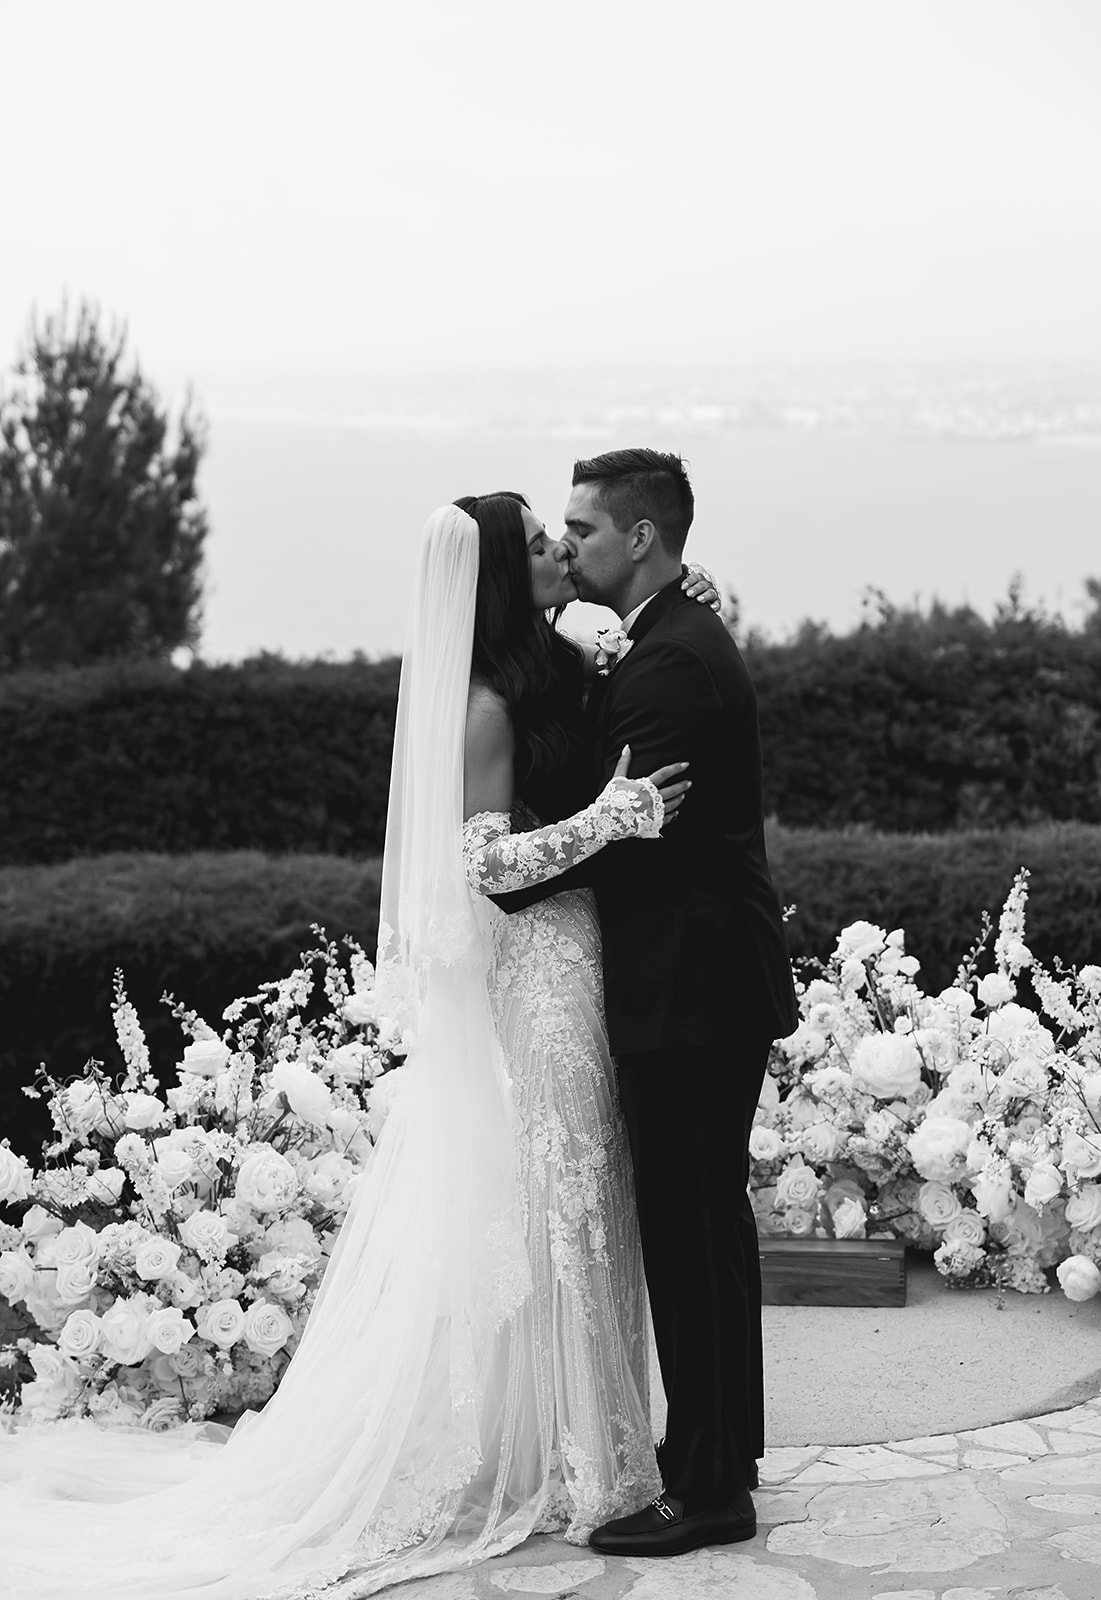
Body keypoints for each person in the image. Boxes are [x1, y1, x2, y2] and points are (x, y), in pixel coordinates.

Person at [0, 495, 717, 1598]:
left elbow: (624, 681)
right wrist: (612, 817)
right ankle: (592, 1463)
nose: (556, 550)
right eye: (534, 542)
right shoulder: (482, 707)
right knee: (571, 1193)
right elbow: (483, 862)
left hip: (590, 951)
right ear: (491, 578)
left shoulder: (556, 659)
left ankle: (602, 1436)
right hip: (541, 970)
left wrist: (692, 611)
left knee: (588, 1192)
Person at [491, 449, 799, 1557]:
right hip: (698, 979)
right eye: (557, 529)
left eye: (581, 527)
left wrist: (536, 848)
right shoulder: (661, 635)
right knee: (704, 1224)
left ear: (642, 540)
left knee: (689, 1227)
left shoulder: (670, 663)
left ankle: (710, 1487)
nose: (567, 543)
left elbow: (633, 832)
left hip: (693, 985)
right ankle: (722, 1452)